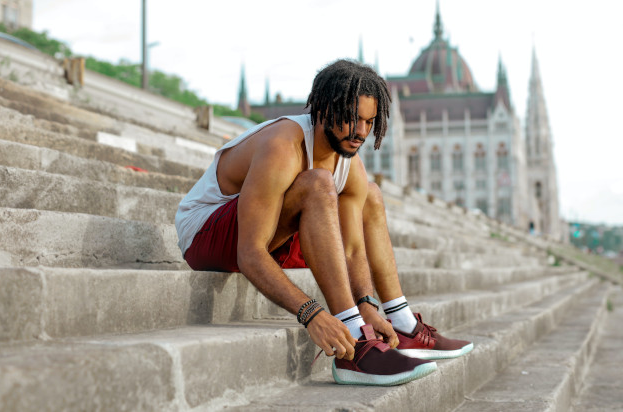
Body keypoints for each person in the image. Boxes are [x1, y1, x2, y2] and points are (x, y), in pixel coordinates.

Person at [175, 59, 472, 386]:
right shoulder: (283, 145)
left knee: (370, 194)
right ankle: (355, 349)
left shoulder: (350, 160)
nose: (360, 132)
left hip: (274, 233)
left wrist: (366, 304)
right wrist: (312, 313)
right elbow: (249, 252)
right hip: (206, 235)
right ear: (325, 109)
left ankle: (402, 323)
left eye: (369, 122)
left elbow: (353, 247)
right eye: (351, 119)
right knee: (318, 184)